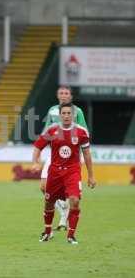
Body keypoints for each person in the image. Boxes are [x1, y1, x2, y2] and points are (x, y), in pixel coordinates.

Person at [32, 103, 96, 244]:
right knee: (49, 203)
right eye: (64, 113)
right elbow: (37, 146)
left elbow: (87, 154)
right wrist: (36, 162)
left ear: (73, 115)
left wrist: (91, 175)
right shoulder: (52, 130)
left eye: (69, 113)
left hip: (72, 172)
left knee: (75, 201)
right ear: (60, 115)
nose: (66, 116)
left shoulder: (81, 132)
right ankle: (47, 232)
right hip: (55, 172)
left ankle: (71, 235)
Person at [41, 85, 88, 231]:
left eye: (66, 93)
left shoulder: (77, 111)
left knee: (70, 191)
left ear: (71, 96)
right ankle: (63, 209)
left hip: (71, 156)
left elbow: (83, 131)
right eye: (61, 93)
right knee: (44, 187)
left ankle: (65, 216)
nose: (63, 95)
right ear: (57, 95)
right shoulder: (52, 110)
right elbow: (47, 130)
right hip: (54, 155)